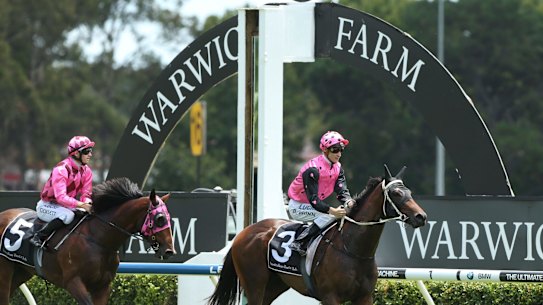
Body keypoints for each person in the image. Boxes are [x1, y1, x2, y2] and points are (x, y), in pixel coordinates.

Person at [287, 131, 355, 256]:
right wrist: (332, 211)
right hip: (298, 206)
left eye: (341, 149)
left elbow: (342, 191)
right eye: (335, 150)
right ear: (325, 150)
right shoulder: (312, 169)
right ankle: (300, 242)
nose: (339, 154)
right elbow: (314, 201)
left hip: (311, 206)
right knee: (331, 216)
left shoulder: (338, 167)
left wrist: (349, 202)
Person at [30, 136, 95, 247]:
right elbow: (61, 197)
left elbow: (86, 193)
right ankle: (39, 236)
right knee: (68, 216)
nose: (90, 154)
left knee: (84, 215)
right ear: (76, 154)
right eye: (86, 151)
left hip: (66, 206)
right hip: (47, 205)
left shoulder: (87, 171)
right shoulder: (61, 169)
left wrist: (87, 203)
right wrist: (81, 204)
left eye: (91, 151)